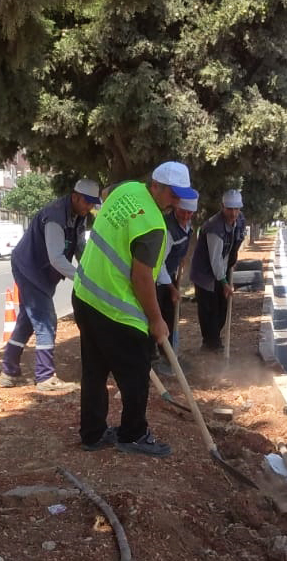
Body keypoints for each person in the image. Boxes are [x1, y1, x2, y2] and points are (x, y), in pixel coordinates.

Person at [71, 161, 194, 457]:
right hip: (116, 310)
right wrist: (157, 320)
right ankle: (134, 435)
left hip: (85, 295)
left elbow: (105, 191)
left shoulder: (126, 189)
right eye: (173, 195)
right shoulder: (152, 226)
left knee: (94, 371)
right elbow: (141, 278)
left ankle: (92, 434)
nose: (176, 202)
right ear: (156, 185)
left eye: (180, 196)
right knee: (137, 374)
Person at [0, 178, 101, 391]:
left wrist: (92, 271)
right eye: (87, 202)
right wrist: (83, 280)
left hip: (43, 272)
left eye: (93, 203)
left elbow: (80, 247)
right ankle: (45, 377)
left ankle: (8, 371)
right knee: (46, 320)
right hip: (30, 269)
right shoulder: (55, 217)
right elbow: (56, 258)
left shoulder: (79, 215)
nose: (90, 207)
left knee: (28, 320)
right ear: (75, 197)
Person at [189, 188, 242, 352]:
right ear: (222, 207)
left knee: (222, 307)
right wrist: (224, 282)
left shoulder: (239, 220)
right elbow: (215, 259)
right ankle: (211, 344)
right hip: (204, 273)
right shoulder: (214, 228)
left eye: (236, 209)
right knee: (209, 310)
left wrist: (232, 260)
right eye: (229, 209)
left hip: (220, 269)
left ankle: (214, 340)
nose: (233, 213)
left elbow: (236, 241)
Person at [152, 191, 198, 376]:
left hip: (168, 275)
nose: (186, 216)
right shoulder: (167, 229)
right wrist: (171, 287)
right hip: (155, 279)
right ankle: (154, 359)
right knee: (156, 316)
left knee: (171, 316)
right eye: (183, 212)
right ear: (176, 207)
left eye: (190, 213)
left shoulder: (186, 225)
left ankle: (169, 356)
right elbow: (158, 263)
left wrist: (181, 259)